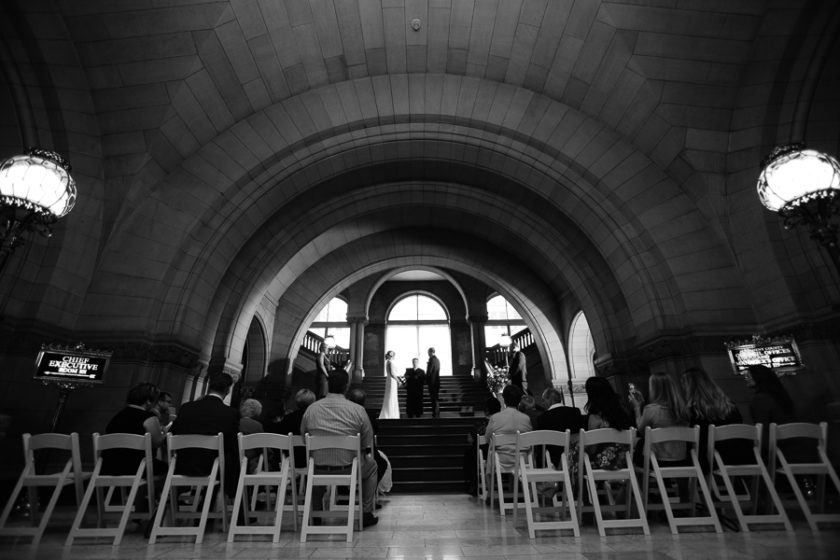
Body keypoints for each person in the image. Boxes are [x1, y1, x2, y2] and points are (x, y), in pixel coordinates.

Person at [300, 369, 379, 528]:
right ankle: (365, 513)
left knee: (316, 467)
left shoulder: (312, 409)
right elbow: (366, 442)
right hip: (349, 469)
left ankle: (315, 514)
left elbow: (304, 437)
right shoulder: (358, 410)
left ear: (328, 384)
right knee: (372, 467)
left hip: (319, 468)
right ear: (346, 386)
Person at [169, 373, 240, 496]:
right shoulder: (229, 413)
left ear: (209, 387)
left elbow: (173, 433)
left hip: (182, 464)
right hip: (212, 467)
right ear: (228, 390)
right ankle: (233, 504)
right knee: (236, 460)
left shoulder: (186, 408)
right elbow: (232, 444)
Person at [680, 367, 747, 470]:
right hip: (740, 455)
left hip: (710, 460)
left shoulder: (695, 411)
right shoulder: (730, 406)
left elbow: (696, 442)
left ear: (689, 387)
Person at [102, 382, 167, 476]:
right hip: (137, 467)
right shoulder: (148, 417)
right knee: (169, 470)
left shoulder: (118, 416)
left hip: (108, 466)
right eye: (155, 401)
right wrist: (164, 433)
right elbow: (158, 442)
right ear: (148, 401)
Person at [630, 372, 689, 465]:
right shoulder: (682, 409)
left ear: (654, 389)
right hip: (682, 459)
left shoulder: (652, 409)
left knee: (634, 444)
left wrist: (637, 408)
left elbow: (641, 431)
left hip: (658, 460)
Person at [347, 386, 392, 496]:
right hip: (364, 453)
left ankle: (346, 492)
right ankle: (368, 496)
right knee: (380, 464)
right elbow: (373, 434)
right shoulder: (367, 415)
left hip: (343, 455)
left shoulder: (344, 414)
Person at [485, 385, 532, 470]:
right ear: (519, 400)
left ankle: (491, 482)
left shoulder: (495, 418)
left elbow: (487, 439)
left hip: (501, 460)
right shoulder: (526, 418)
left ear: (504, 399)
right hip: (522, 460)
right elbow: (529, 440)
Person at [268, 388, 315, 470]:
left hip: (290, 459)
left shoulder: (288, 418)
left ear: (297, 402)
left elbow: (278, 436)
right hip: (311, 459)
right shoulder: (314, 419)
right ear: (312, 402)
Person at [464, 396, 502, 495]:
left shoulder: (480, 424)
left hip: (485, 455)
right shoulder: (502, 422)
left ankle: (473, 483)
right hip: (503, 452)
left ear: (486, 410)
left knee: (471, 452)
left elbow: (470, 439)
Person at [535, 387, 583, 466]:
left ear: (550, 400)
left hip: (553, 461)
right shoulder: (575, 412)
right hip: (575, 459)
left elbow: (541, 445)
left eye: (543, 400)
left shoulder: (542, 418)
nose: (542, 404)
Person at [239, 398, 264, 473]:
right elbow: (262, 447)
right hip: (250, 464)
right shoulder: (257, 426)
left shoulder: (235, 422)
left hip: (233, 462)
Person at [379, 350, 400, 420]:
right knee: (391, 396)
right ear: (392, 356)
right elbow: (392, 374)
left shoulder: (388, 362)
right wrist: (398, 381)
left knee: (391, 396)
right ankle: (391, 414)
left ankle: (391, 413)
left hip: (390, 380)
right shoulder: (390, 362)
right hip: (392, 381)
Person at [426, 347, 441, 418]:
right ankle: (437, 413)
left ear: (430, 352)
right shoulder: (437, 360)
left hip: (432, 382)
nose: (428, 354)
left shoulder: (431, 360)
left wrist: (425, 379)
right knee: (436, 398)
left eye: (428, 352)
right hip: (436, 381)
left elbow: (429, 371)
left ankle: (434, 413)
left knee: (433, 398)